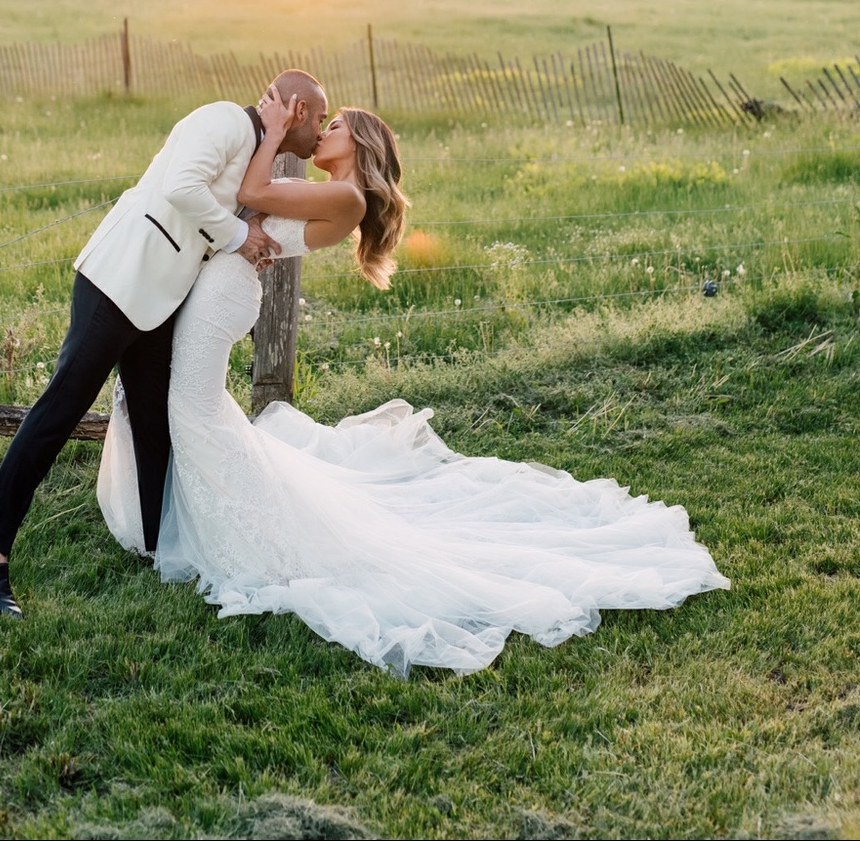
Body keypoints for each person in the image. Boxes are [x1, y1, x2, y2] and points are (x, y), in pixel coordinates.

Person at [98, 89, 729, 677]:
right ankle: (182, 520)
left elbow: (256, 191)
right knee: (191, 408)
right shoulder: (324, 189)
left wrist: (269, 129)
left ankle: (221, 531)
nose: (321, 132)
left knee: (194, 409)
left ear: (362, 143)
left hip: (229, 293)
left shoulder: (345, 199)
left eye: (334, 125)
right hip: (223, 285)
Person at [0, 70, 329, 619]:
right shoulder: (222, 118)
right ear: (295, 108)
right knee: (60, 410)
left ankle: (159, 543)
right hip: (118, 281)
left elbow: (243, 198)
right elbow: (180, 188)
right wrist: (239, 235)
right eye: (318, 116)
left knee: (156, 424)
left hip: (159, 299)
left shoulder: (257, 148)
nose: (320, 128)